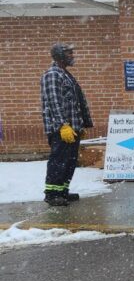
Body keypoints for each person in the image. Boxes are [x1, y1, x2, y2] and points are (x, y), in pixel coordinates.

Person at [40, 43, 93, 206]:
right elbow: (54, 102)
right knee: (59, 160)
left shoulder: (65, 74)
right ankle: (52, 194)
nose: (72, 56)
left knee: (69, 162)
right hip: (60, 129)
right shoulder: (53, 75)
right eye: (68, 53)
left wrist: (80, 125)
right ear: (59, 56)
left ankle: (62, 191)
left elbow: (74, 102)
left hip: (72, 128)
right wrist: (63, 125)